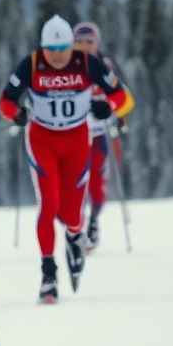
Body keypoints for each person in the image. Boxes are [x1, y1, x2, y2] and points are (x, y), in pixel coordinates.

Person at [0, 15, 134, 303]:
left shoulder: (86, 63)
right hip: (42, 140)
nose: (58, 56)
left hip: (76, 142)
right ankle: (48, 272)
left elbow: (121, 97)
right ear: (43, 46)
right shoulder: (32, 63)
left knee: (73, 213)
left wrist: (106, 107)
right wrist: (16, 114)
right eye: (52, 49)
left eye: (63, 48)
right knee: (48, 206)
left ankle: (75, 237)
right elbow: (5, 101)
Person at [72, 21, 130, 253]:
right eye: (79, 42)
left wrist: (114, 111)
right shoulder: (67, 64)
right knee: (76, 183)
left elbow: (122, 97)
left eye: (89, 42)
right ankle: (77, 226)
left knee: (96, 183)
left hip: (97, 135)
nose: (85, 47)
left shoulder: (104, 66)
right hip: (73, 136)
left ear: (97, 44)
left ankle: (93, 222)